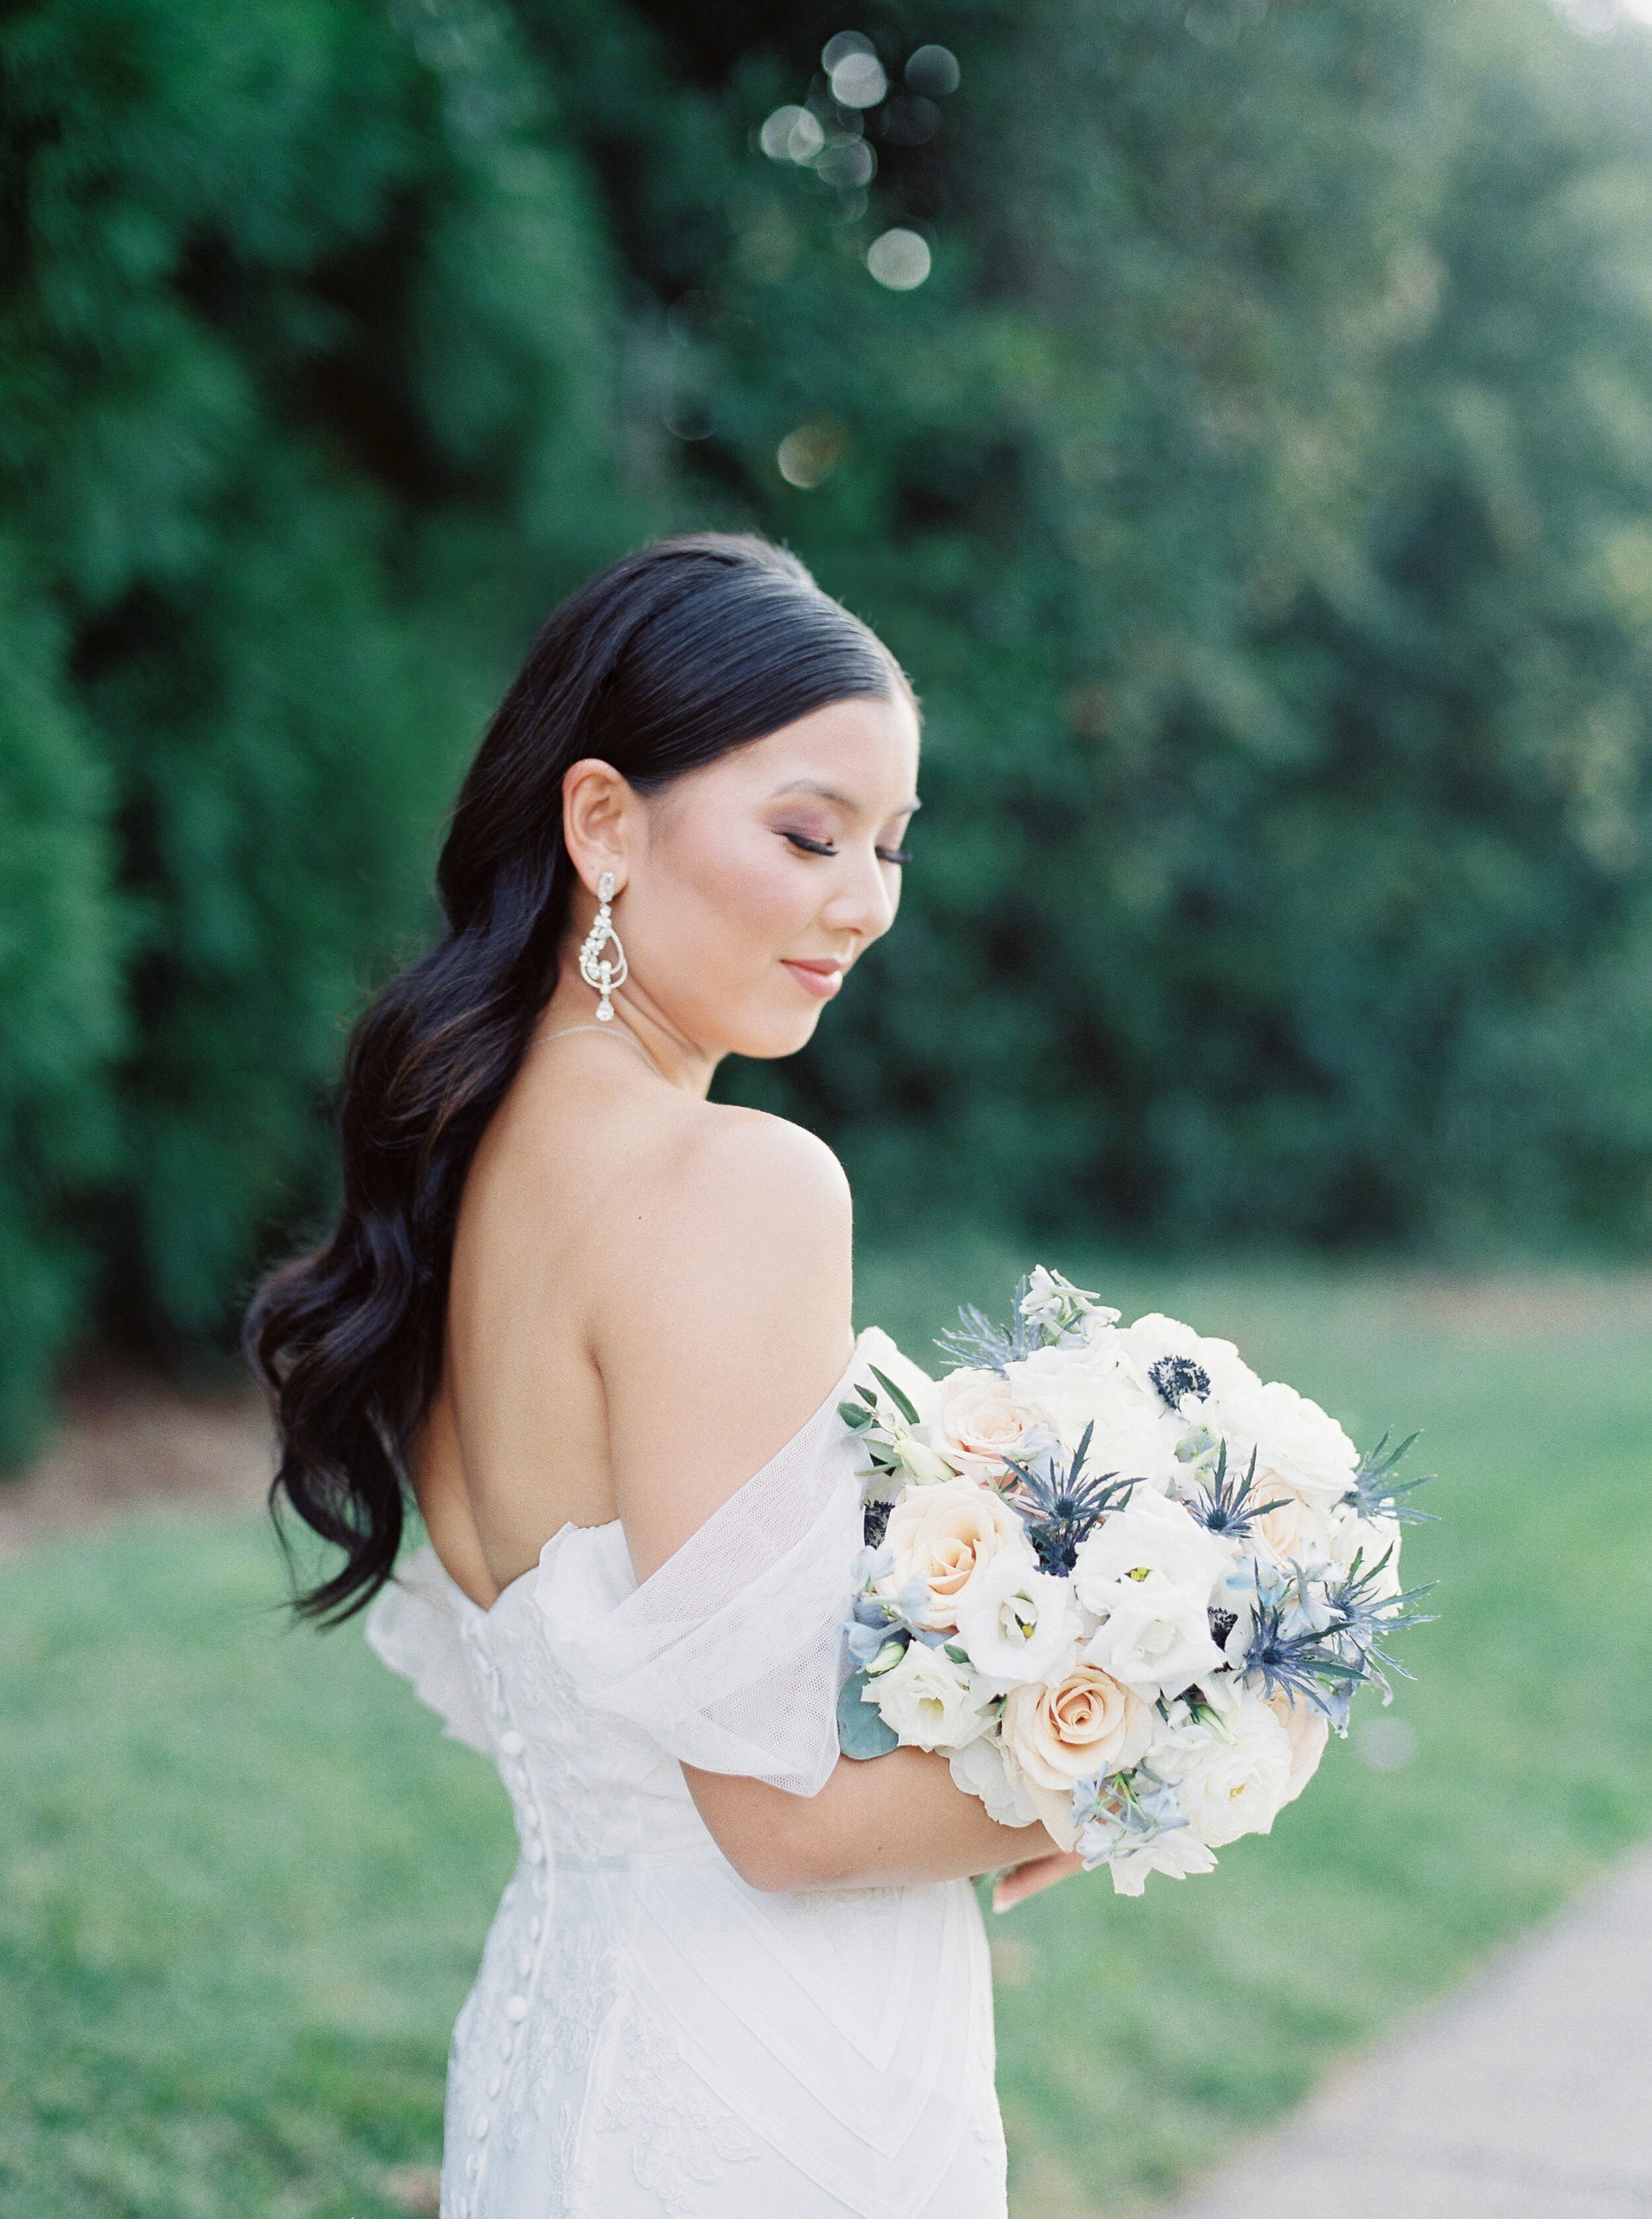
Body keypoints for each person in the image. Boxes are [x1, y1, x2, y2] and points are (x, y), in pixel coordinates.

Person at [246, 535, 1077, 2219]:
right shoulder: (738, 1186)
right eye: (804, 830)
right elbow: (778, 1813)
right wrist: (1139, 1741)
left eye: (889, 847)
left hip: (567, 2048)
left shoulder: (460, 1187)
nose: (862, 901)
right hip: (768, 2087)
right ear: (603, 821)